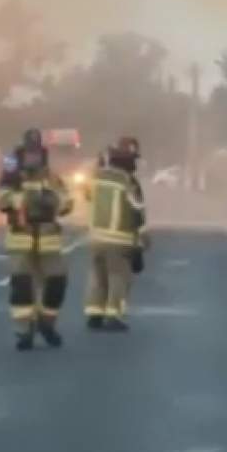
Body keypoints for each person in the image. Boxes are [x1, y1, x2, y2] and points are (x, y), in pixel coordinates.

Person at [0, 128, 73, 351]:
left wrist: (53, 202)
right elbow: (2, 201)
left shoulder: (52, 178)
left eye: (37, 155)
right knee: (21, 287)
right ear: (22, 154)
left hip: (49, 240)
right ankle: (24, 331)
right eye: (29, 154)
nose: (33, 160)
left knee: (57, 283)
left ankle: (46, 323)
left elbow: (68, 202)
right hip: (21, 239)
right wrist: (23, 201)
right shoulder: (12, 176)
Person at [84, 136, 146, 331]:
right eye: (133, 159)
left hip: (96, 239)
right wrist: (142, 240)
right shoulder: (127, 181)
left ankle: (94, 312)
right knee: (119, 277)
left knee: (97, 276)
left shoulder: (96, 176)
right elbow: (137, 210)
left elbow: (87, 196)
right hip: (120, 239)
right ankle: (113, 315)